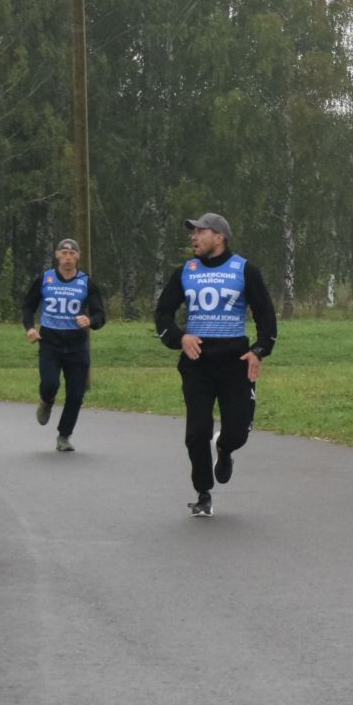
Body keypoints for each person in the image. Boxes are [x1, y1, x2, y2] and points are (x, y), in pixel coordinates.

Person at [154, 213, 277, 518]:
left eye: (200, 232)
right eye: (192, 232)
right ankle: (203, 493)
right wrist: (180, 338)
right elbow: (163, 314)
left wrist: (258, 351)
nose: (193, 237)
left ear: (219, 237)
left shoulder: (244, 269)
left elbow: (266, 315)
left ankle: (225, 448)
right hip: (198, 362)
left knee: (237, 431)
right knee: (197, 431)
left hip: (235, 361)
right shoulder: (186, 271)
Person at [21, 239, 107, 452]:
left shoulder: (86, 282)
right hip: (50, 342)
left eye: (72, 253)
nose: (68, 257)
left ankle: (64, 436)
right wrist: (30, 328)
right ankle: (47, 401)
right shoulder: (45, 279)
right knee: (50, 384)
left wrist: (91, 321)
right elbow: (28, 306)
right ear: (57, 255)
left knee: (76, 394)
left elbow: (99, 314)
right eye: (64, 252)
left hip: (77, 345)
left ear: (78, 256)